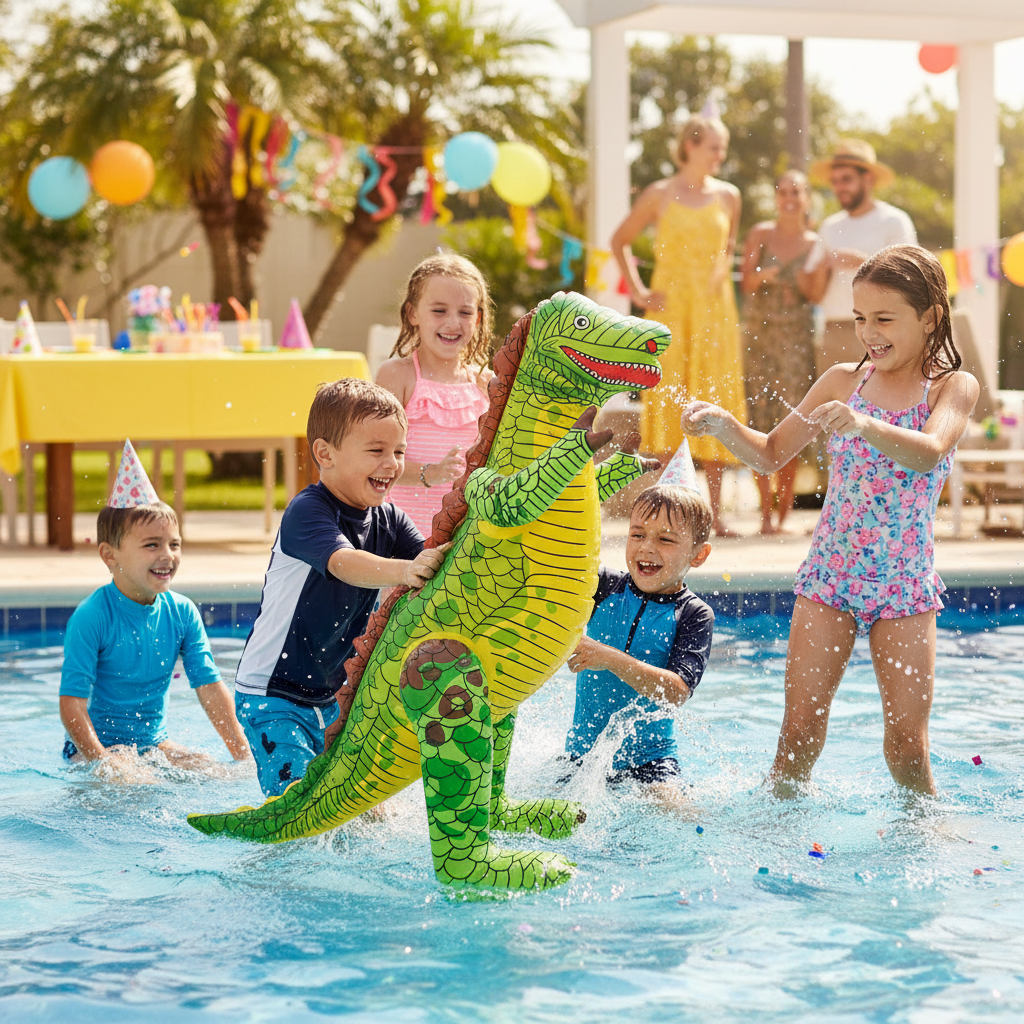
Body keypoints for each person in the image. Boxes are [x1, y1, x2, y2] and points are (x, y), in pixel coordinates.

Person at [682, 245, 979, 796]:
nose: (869, 333)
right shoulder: (843, 382)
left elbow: (931, 451)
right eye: (861, 317)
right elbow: (771, 452)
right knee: (797, 734)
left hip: (903, 584)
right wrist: (724, 425)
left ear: (930, 318)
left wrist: (863, 425)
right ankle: (776, 826)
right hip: (831, 578)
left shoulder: (950, 387)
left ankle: (923, 829)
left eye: (884, 319)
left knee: (907, 747)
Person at [233, 378, 449, 797]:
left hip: (335, 696)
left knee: (354, 805)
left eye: (399, 451)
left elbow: (437, 566)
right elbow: (344, 563)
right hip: (272, 694)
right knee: (297, 802)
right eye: (376, 450)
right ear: (325, 454)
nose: (392, 464)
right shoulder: (307, 512)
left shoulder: (390, 520)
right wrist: (406, 570)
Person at [59, 440, 250, 781]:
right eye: (152, 545)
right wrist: (103, 762)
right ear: (110, 555)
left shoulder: (182, 612)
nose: (167, 555)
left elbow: (209, 687)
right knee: (130, 784)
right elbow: (72, 703)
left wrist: (244, 755)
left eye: (174, 544)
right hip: (91, 750)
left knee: (216, 772)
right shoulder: (92, 617)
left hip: (154, 745)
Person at [611, 114, 747, 537]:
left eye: (724, 148)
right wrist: (638, 292)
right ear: (690, 145)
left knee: (713, 397)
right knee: (670, 400)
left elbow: (726, 251)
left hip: (714, 312)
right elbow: (619, 240)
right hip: (670, 310)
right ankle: (675, 509)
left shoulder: (729, 196)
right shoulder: (659, 194)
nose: (721, 155)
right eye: (714, 146)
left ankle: (715, 514)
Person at [562, 479, 714, 793]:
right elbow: (556, 566)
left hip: (651, 762)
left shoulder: (694, 614)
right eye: (637, 534)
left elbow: (676, 693)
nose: (647, 547)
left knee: (676, 810)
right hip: (582, 756)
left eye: (665, 539)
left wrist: (609, 658)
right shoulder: (603, 586)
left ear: (698, 555)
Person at [376, 253, 492, 538]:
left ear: (477, 318)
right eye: (439, 311)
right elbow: (376, 460)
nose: (453, 323)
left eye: (465, 313)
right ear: (412, 314)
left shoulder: (485, 383)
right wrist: (432, 473)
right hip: (406, 535)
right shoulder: (399, 376)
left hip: (467, 537)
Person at [740, 170, 818, 533]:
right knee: (759, 420)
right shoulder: (760, 233)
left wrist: (800, 282)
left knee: (791, 422)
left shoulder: (815, 242)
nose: (789, 198)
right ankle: (765, 515)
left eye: (796, 192)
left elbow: (816, 294)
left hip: (796, 342)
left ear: (807, 198)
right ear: (776, 197)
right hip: (760, 338)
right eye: (783, 191)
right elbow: (746, 282)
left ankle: (784, 512)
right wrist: (764, 276)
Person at [801, 140, 918, 376]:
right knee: (834, 401)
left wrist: (863, 262)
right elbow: (812, 294)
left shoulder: (895, 221)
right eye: (835, 181)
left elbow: (912, 279)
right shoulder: (829, 226)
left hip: (884, 332)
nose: (839, 187)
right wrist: (823, 267)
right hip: (834, 331)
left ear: (868, 179)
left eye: (846, 179)